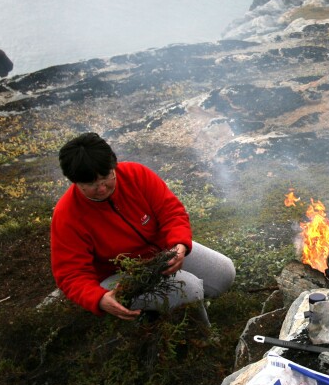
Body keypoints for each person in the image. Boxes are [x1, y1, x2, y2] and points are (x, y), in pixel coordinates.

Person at [50, 133, 235, 326]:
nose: (102, 188)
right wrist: (98, 298)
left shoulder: (136, 175)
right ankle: (199, 339)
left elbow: (171, 212)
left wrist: (179, 245)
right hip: (116, 276)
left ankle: (159, 311)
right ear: (75, 182)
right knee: (189, 289)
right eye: (90, 185)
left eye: (106, 177)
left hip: (162, 253)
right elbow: (70, 273)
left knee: (223, 273)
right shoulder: (68, 215)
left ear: (114, 165)